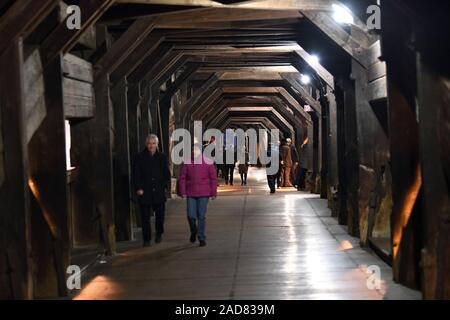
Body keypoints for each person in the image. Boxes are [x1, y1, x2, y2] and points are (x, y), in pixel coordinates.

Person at [132, 134, 170, 247]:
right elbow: (135, 174)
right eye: (149, 143)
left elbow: (166, 174)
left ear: (157, 144)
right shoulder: (139, 157)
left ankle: (159, 233)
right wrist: (138, 188)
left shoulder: (162, 157)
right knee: (145, 218)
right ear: (146, 144)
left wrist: (163, 186)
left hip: (158, 191)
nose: (151, 146)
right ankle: (146, 239)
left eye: (153, 143)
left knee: (160, 216)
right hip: (145, 191)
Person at [178, 146, 217, 247]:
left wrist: (213, 193)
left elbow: (213, 179)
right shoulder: (187, 162)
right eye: (193, 150)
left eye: (196, 150)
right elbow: (182, 178)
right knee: (191, 215)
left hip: (204, 193)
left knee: (201, 216)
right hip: (191, 193)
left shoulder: (208, 162)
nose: (194, 152)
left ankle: (201, 237)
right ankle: (194, 231)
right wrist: (182, 191)